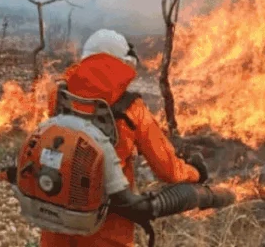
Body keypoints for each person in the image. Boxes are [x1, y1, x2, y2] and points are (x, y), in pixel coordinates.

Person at [39, 29, 209, 247]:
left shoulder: (59, 95)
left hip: (56, 217)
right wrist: (195, 172)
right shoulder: (131, 109)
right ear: (121, 65)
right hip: (107, 225)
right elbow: (168, 170)